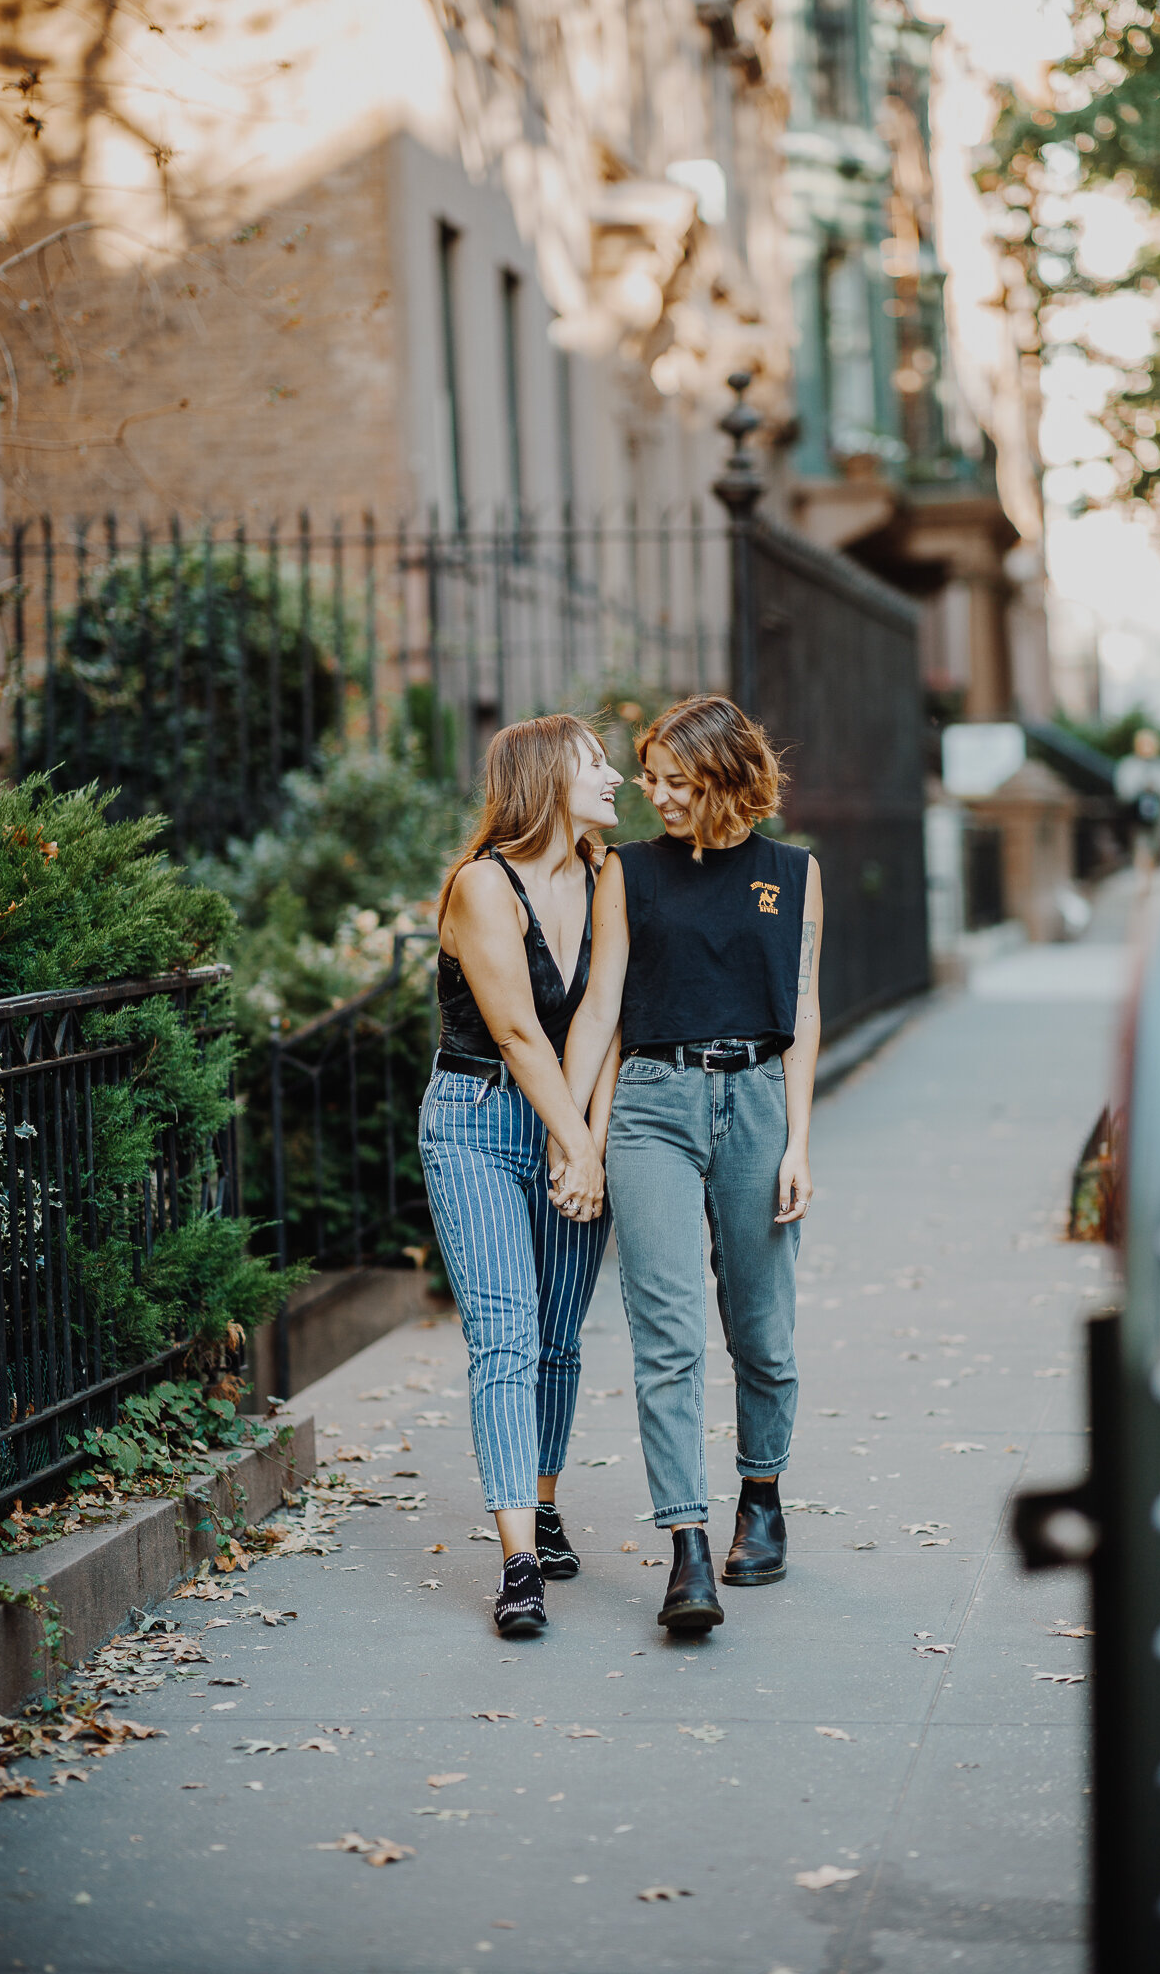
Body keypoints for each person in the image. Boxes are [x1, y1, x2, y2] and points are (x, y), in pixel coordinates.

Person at [563, 694, 823, 1634]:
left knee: (761, 1328)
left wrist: (797, 1139)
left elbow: (802, 1009)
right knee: (666, 1338)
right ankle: (686, 1551)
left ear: (721, 778)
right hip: (652, 1108)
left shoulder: (793, 875)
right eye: (650, 778)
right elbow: (601, 1009)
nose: (655, 795)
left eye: (675, 782)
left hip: (756, 1100)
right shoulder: (627, 872)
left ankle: (761, 1499)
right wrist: (578, 1135)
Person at [419, 715, 623, 1638]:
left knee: (558, 1341)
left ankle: (542, 1501)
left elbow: (610, 1020)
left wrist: (586, 1136)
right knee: (504, 1336)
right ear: (547, 778)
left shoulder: (607, 874)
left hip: (572, 1113)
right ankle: (517, 1561)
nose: (614, 776)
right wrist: (572, 1145)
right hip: (475, 1120)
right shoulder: (479, 885)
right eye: (596, 762)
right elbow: (513, 1031)